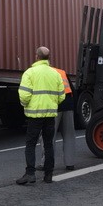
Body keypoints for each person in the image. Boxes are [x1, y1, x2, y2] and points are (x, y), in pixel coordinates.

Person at [17, 46, 65, 184]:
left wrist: (26, 105)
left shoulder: (29, 73)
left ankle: (30, 173)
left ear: (36, 56)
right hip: (50, 115)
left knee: (30, 144)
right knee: (48, 144)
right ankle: (48, 175)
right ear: (49, 58)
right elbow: (61, 96)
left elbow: (24, 95)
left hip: (34, 115)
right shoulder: (55, 74)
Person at [36, 62, 77, 171]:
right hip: (68, 105)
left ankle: (46, 163)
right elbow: (73, 90)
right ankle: (70, 163)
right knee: (69, 135)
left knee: (48, 136)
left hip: (54, 106)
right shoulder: (62, 72)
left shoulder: (43, 74)